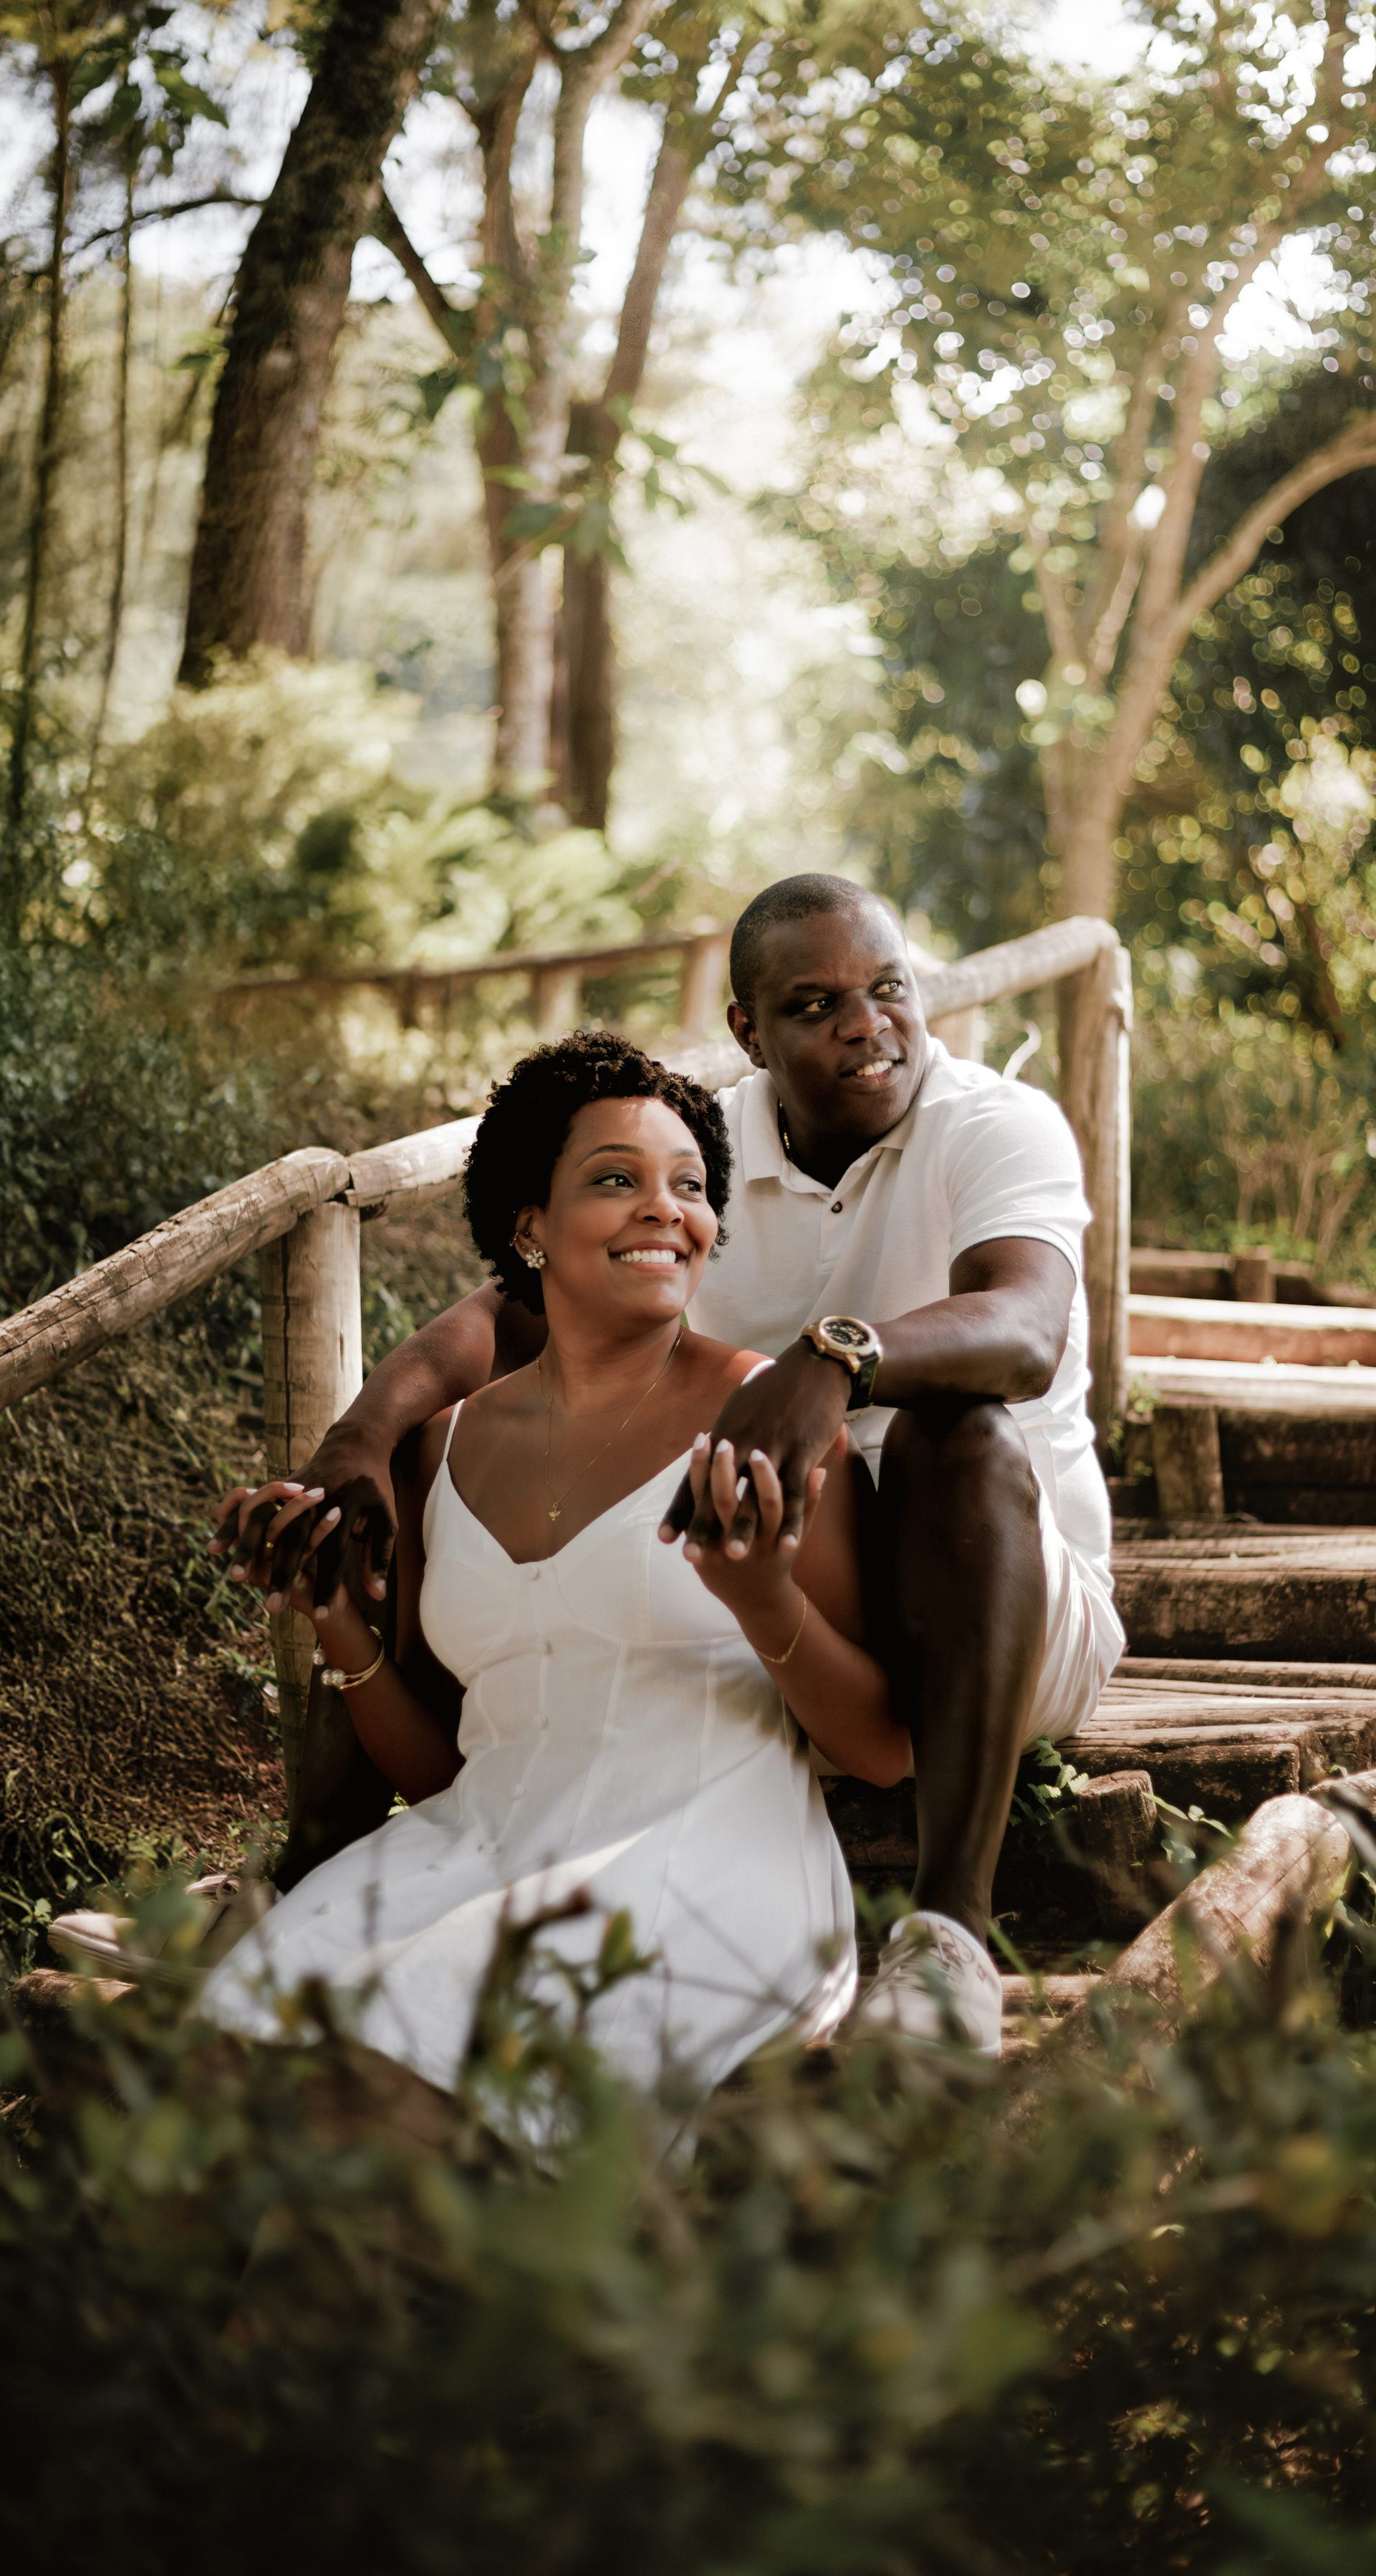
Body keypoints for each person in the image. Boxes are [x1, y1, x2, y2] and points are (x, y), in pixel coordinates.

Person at [218, 874, 1123, 2055]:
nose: (869, 1024)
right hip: (771, 1550)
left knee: (956, 1434)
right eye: (818, 1004)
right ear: (748, 1031)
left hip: (990, 1597)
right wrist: (359, 1444)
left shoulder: (992, 1123)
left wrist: (837, 1359)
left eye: (890, 989)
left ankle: (948, 1933)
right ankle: (316, 1873)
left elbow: (1025, 1331)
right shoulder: (702, 1141)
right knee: (412, 1490)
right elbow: (502, 1314)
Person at [203, 1034, 908, 2102]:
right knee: (227, 2054)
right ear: (528, 1224)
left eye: (691, 1186)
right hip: (468, 1856)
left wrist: (764, 1602)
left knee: (378, 2083)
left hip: (700, 1869)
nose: (666, 1209)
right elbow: (453, 1771)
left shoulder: (763, 1418)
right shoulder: (444, 1450)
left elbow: (885, 1748)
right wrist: (342, 1624)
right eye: (616, 1180)